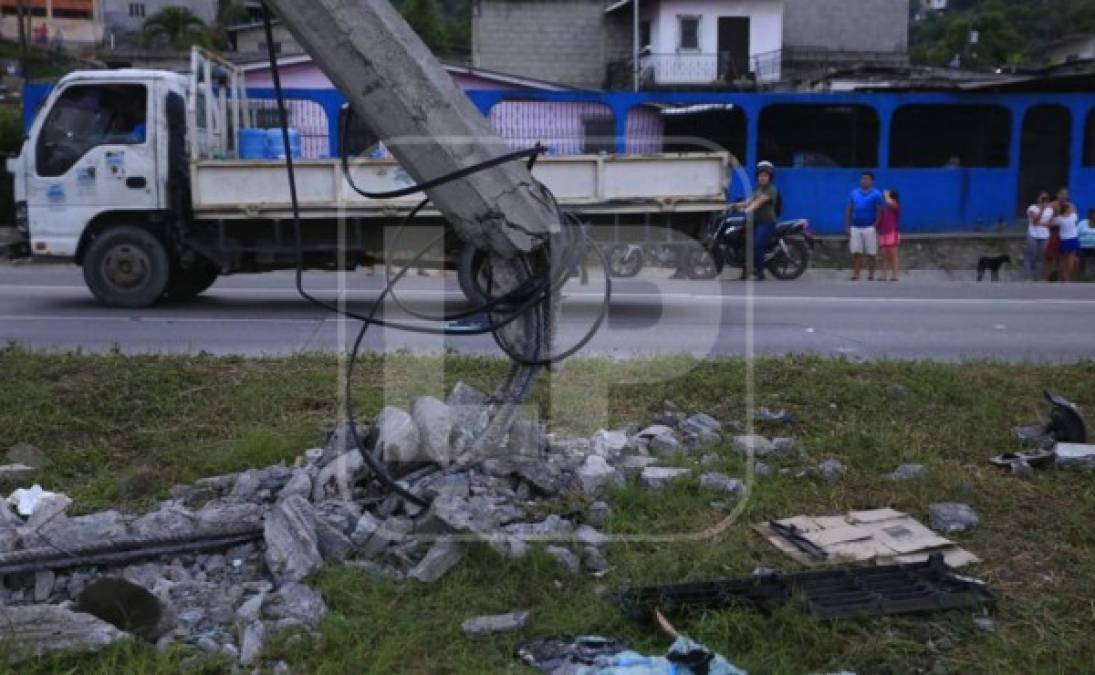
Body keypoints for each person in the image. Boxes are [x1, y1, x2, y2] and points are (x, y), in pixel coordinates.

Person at [731, 160, 780, 281]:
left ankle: (761, 272)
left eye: (765, 176)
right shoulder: (757, 188)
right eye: (760, 175)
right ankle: (746, 271)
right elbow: (749, 201)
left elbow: (758, 202)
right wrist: (734, 205)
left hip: (766, 223)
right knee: (743, 242)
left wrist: (747, 210)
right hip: (755, 221)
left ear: (770, 177)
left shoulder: (771, 189)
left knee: (757, 245)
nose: (762, 178)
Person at [845, 172, 883, 281]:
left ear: (872, 181)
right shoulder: (854, 193)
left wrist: (875, 225)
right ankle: (856, 274)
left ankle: (871, 274)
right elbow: (849, 209)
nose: (863, 181)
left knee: (871, 252)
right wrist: (847, 226)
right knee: (856, 252)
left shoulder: (876, 194)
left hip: (869, 227)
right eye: (862, 179)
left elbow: (879, 210)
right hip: (856, 227)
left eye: (866, 179)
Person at [1024, 191, 1051, 281]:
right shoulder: (1032, 208)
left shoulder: (1050, 210)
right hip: (1033, 234)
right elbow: (1035, 221)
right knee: (1031, 255)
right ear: (1038, 198)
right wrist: (1042, 209)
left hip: (1044, 236)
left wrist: (1042, 223)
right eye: (1042, 198)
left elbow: (1050, 223)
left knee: (1040, 257)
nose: (1044, 200)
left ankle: (1037, 277)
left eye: (1046, 198)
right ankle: (1028, 276)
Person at [1053, 188, 1079, 283]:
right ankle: (1067, 278)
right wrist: (1071, 207)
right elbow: (1075, 215)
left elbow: (1052, 222)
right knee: (1070, 260)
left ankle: (1062, 278)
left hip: (1064, 240)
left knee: (1063, 260)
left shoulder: (1059, 218)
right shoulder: (1073, 216)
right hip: (1073, 239)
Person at [877, 189, 901, 282]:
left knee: (893, 255)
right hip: (883, 233)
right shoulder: (885, 208)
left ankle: (895, 275)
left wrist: (886, 194)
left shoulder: (896, 206)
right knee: (883, 255)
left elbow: (890, 203)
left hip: (892, 232)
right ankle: (884, 275)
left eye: (888, 196)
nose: (885, 198)